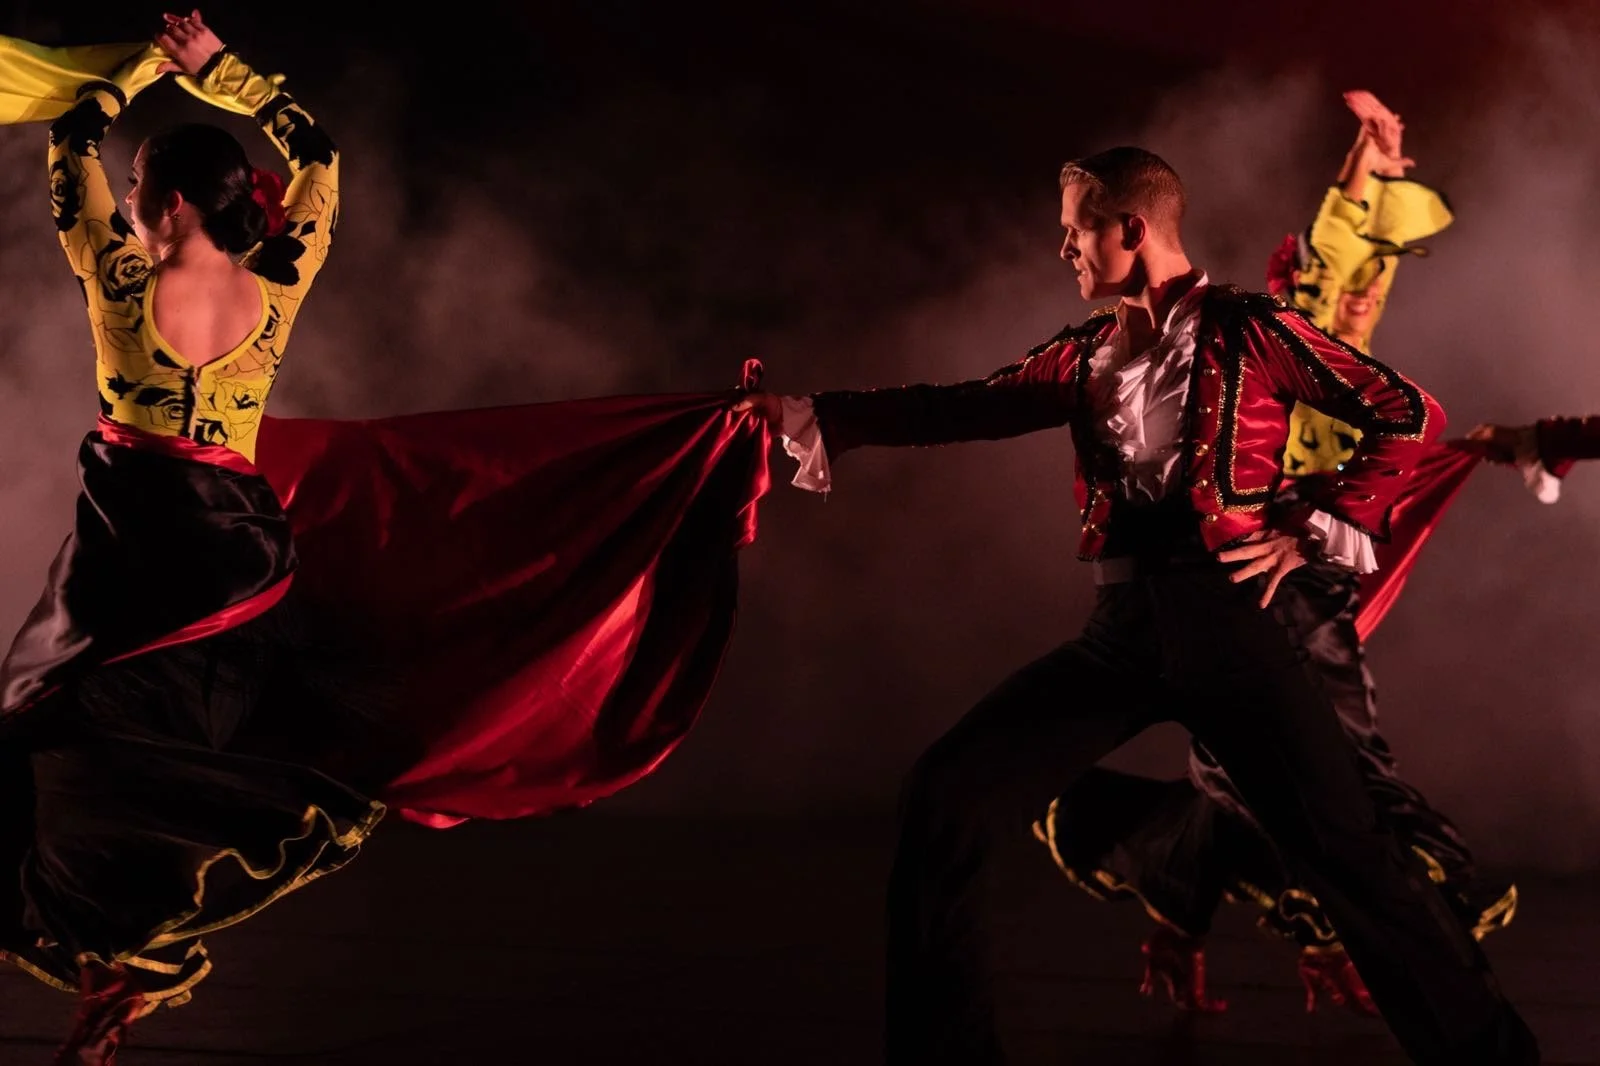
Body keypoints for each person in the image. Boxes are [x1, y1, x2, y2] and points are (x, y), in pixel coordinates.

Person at [0, 13, 769, 1064]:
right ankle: (125, 952)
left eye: (137, 189)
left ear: (169, 203)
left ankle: (122, 946)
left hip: (139, 550)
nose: (128, 203)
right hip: (239, 555)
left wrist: (126, 76)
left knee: (61, 739)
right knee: (146, 754)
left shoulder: (122, 284)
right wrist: (222, 74)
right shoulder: (277, 284)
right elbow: (319, 158)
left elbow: (67, 143)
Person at [738, 146, 1537, 1064]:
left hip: (1229, 628)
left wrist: (1314, 525)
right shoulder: (1088, 352)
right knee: (943, 797)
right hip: (1121, 635)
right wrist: (806, 413)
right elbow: (961, 406)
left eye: (1075, 230)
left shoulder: (1249, 328)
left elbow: (1408, 412)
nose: (1063, 249)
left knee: (1354, 861)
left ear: (1131, 228)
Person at [1029, 90, 1514, 1018]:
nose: (1364, 295)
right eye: (1353, 283)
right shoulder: (1284, 326)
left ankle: (1222, 913)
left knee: (1263, 765)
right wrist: (1365, 167)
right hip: (1265, 561)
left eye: (1374, 285)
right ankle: (1332, 931)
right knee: (1310, 767)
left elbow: (1366, 296)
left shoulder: (1333, 346)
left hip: (1302, 561)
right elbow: (1338, 248)